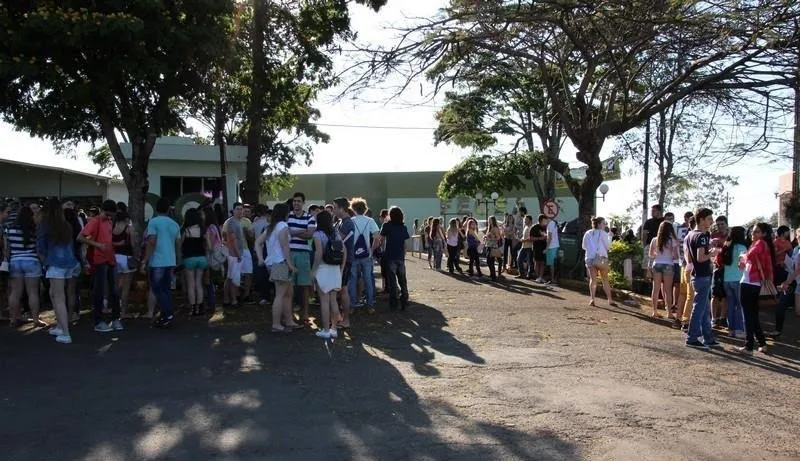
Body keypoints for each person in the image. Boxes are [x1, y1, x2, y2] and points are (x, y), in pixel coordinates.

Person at [37, 198, 78, 344]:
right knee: (56, 294)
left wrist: (44, 262)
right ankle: (61, 327)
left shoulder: (45, 225)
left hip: (54, 263)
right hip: (68, 262)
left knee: (58, 296)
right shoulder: (66, 225)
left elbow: (41, 247)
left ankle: (65, 332)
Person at [78, 200, 122, 333]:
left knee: (114, 291)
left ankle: (115, 319)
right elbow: (80, 237)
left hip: (110, 259)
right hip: (99, 260)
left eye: (111, 215)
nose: (109, 217)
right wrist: (97, 245)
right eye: (107, 214)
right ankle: (98, 321)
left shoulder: (109, 222)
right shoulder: (95, 221)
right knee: (99, 290)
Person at [684, 208, 721, 349]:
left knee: (704, 309)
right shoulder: (702, 236)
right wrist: (713, 253)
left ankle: (708, 337)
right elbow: (700, 257)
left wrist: (709, 247)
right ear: (701, 219)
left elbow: (693, 254)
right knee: (699, 308)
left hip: (696, 275)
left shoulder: (690, 235)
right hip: (702, 275)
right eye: (709, 219)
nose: (711, 222)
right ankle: (692, 337)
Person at [141, 198, 181, 328]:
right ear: (168, 209)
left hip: (158, 260)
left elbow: (151, 242)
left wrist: (145, 260)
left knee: (157, 289)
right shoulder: (174, 224)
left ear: (156, 209)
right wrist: (177, 260)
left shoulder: (154, 222)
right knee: (166, 289)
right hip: (170, 260)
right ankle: (165, 315)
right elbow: (178, 244)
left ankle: (167, 314)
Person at [4, 206, 46, 327]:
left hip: (15, 261)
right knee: (32, 292)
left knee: (15, 292)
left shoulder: (10, 230)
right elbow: (38, 249)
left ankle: (13, 318)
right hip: (32, 261)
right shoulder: (35, 229)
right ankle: (35, 319)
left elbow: (8, 249)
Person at [736, 223, 774, 355]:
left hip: (750, 283)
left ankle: (749, 346)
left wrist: (743, 257)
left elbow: (750, 256)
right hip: (752, 282)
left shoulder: (760, 244)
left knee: (748, 315)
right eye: (752, 232)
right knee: (753, 316)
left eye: (757, 232)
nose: (753, 234)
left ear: (763, 234)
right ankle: (762, 343)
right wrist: (742, 260)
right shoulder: (758, 244)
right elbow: (746, 263)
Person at [263, 202, 300, 332]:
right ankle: (276, 324)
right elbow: (285, 246)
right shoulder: (283, 226)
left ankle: (289, 320)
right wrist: (290, 264)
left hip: (274, 262)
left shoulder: (271, 227)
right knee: (280, 295)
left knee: (288, 293)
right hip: (281, 262)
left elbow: (258, 243)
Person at [311, 210, 345, 339]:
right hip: (335, 267)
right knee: (333, 300)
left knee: (324, 301)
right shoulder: (335, 233)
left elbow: (318, 253)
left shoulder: (317, 234)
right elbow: (342, 249)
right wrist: (341, 267)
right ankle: (334, 329)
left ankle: (325, 330)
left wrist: (313, 270)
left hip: (323, 268)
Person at [287, 193, 316, 322]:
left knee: (305, 285)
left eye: (299, 201)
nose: (296, 203)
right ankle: (290, 313)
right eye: (294, 201)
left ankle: (305, 313)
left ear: (303, 203)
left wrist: (293, 232)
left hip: (304, 254)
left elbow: (310, 235)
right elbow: (285, 233)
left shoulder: (309, 217)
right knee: (289, 285)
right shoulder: (287, 217)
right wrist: (301, 232)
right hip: (290, 253)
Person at [348, 197, 380, 314]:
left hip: (353, 254)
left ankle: (351, 306)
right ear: (365, 208)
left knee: (352, 280)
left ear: (353, 208)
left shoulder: (350, 221)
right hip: (366, 255)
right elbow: (377, 237)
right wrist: (371, 250)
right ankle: (370, 306)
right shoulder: (370, 221)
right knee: (368, 280)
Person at [376, 206, 410, 310]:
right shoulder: (403, 227)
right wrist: (403, 256)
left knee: (392, 282)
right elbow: (405, 244)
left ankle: (393, 303)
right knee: (403, 281)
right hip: (400, 256)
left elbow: (380, 239)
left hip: (390, 256)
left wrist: (378, 249)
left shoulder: (387, 225)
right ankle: (404, 300)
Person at [181, 208, 209, 316]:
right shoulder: (203, 230)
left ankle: (193, 308)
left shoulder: (186, 230)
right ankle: (201, 307)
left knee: (191, 284)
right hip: (202, 258)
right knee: (199, 283)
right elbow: (209, 245)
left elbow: (180, 245)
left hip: (189, 258)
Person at [582, 217, 615, 307]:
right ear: (599, 224)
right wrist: (610, 237)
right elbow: (608, 247)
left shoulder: (588, 233)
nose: (605, 225)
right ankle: (610, 299)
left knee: (593, 280)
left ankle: (592, 299)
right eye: (604, 223)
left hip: (589, 258)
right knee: (605, 279)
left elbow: (584, 246)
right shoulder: (603, 233)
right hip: (601, 258)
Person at [648, 221, 679, 318]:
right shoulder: (672, 240)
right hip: (668, 265)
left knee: (656, 288)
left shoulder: (654, 240)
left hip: (657, 264)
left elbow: (650, 254)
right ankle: (669, 313)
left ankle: (654, 311)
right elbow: (675, 256)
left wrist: (658, 254)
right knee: (667, 290)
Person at [721, 226, 747, 339]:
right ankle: (739, 330)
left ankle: (731, 329)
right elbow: (743, 259)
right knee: (740, 305)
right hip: (738, 279)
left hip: (727, 279)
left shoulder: (726, 246)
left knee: (731, 305)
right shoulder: (742, 247)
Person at [333, 197, 355, 328]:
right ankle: (341, 318)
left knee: (343, 289)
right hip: (340, 260)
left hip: (345, 261)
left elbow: (337, 240)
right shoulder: (341, 222)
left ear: (341, 208)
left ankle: (346, 320)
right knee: (340, 289)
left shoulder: (347, 223)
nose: (333, 210)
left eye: (335, 207)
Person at [111, 204, 134, 318]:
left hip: (114, 256)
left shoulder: (112, 227)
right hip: (127, 256)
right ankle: (124, 311)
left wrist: (116, 244)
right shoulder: (128, 228)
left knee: (116, 285)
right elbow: (133, 243)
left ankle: (115, 309)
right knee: (126, 286)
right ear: (126, 218)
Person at [222, 203, 247, 309]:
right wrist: (237, 254)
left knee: (230, 278)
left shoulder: (237, 222)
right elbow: (232, 239)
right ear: (233, 210)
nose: (240, 211)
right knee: (233, 278)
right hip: (234, 254)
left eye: (241, 209)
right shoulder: (232, 222)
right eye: (237, 209)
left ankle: (227, 299)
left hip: (235, 253)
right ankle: (233, 300)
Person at [484, 216, 503, 281]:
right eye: (488, 220)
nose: (489, 221)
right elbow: (488, 236)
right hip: (488, 245)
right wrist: (486, 237)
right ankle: (492, 275)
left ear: (493, 221)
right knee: (489, 261)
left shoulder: (495, 228)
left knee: (490, 261)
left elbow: (498, 238)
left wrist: (491, 237)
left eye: (490, 220)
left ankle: (493, 276)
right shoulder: (489, 228)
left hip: (493, 246)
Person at [531, 215, 549, 283]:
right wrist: (539, 238)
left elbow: (548, 236)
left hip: (544, 247)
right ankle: (537, 277)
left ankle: (541, 277)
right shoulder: (534, 227)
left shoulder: (546, 228)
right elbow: (531, 238)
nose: (546, 222)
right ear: (540, 220)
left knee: (543, 263)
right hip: (536, 247)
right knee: (537, 262)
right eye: (545, 220)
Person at [546, 216, 560, 283]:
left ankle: (552, 280)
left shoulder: (550, 224)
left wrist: (546, 248)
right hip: (555, 246)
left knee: (551, 264)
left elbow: (549, 237)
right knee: (553, 264)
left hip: (551, 246)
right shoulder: (553, 223)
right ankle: (553, 279)